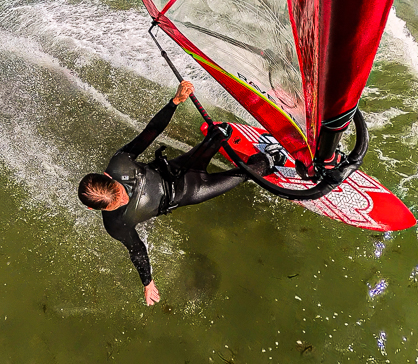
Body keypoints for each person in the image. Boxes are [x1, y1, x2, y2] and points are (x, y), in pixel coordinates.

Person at [78, 81, 274, 306]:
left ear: (108, 175)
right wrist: (147, 282)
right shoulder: (116, 224)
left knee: (219, 134)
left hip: (180, 167)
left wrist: (175, 102)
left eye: (120, 192)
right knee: (248, 173)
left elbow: (150, 132)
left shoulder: (120, 163)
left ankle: (220, 138)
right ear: (93, 209)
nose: (124, 199)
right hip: (192, 190)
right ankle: (270, 159)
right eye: (116, 203)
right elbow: (137, 250)